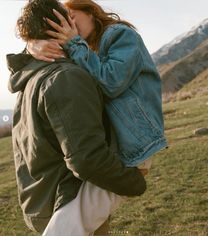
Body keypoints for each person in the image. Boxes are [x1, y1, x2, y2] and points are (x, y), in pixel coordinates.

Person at [7, 0, 147, 235]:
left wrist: (33, 43)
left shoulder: (30, 77)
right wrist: (133, 183)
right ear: (59, 24)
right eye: (68, 20)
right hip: (65, 204)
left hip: (40, 201)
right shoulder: (65, 77)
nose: (74, 27)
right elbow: (87, 159)